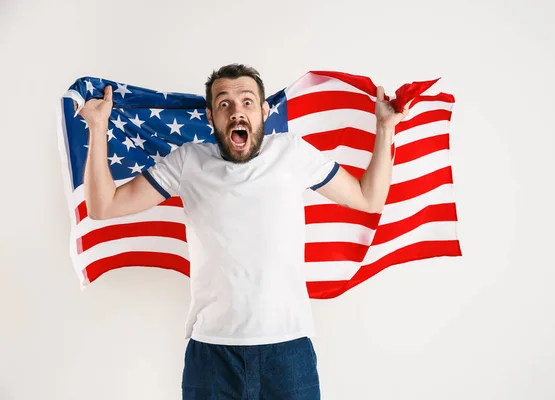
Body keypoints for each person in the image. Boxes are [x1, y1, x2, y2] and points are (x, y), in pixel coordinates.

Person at [79, 64, 411, 400]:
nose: (237, 111)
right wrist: (97, 125)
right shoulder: (187, 162)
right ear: (210, 116)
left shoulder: (292, 152)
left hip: (288, 353)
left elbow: (368, 198)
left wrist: (385, 129)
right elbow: (104, 206)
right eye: (225, 104)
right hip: (211, 356)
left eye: (247, 102)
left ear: (264, 111)